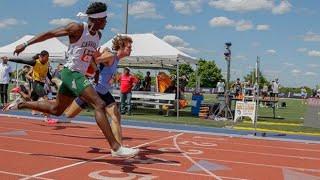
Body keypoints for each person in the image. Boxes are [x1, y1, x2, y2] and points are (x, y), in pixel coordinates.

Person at [3, 2, 138, 158]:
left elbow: (89, 56)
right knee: (99, 104)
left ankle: (21, 103)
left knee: (57, 110)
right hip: (70, 72)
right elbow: (50, 33)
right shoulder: (78, 28)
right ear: (96, 19)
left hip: (79, 75)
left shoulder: (98, 36)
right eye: (104, 19)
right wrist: (26, 44)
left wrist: (94, 71)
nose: (107, 22)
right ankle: (116, 147)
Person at [64, 35, 133, 145]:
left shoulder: (116, 59)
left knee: (116, 116)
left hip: (104, 92)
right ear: (121, 46)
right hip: (93, 91)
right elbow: (93, 59)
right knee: (68, 115)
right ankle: (53, 101)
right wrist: (95, 67)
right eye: (129, 47)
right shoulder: (110, 55)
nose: (131, 49)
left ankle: (119, 147)